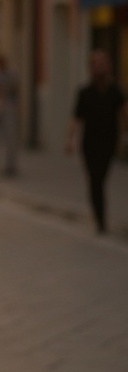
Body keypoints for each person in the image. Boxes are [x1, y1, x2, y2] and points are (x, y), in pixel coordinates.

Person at [65, 50, 127, 234]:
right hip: (89, 143)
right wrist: (70, 140)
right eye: (96, 64)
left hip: (109, 141)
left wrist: (125, 135)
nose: (100, 67)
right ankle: (100, 218)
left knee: (102, 177)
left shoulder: (115, 90)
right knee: (95, 180)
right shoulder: (85, 92)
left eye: (103, 63)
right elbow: (76, 118)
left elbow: (124, 112)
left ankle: (101, 215)